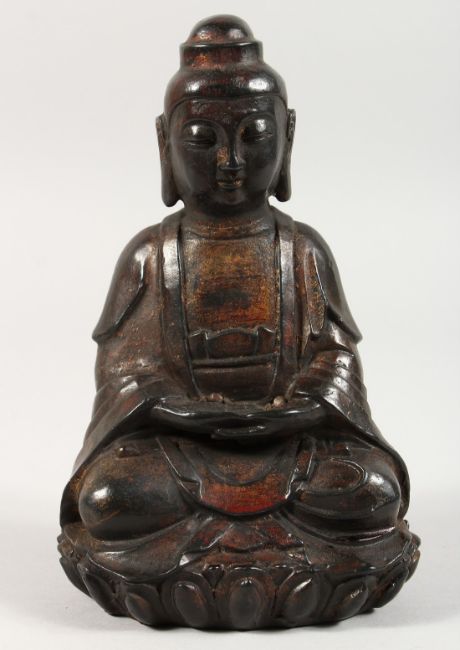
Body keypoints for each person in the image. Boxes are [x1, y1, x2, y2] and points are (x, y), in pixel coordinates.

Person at [59, 15, 418, 627]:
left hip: (289, 446)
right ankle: (297, 575)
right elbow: (124, 375)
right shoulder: (150, 256)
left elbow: (336, 363)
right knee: (109, 496)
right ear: (165, 144)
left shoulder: (303, 251)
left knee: (373, 490)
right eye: (203, 139)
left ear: (288, 138)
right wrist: (181, 412)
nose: (230, 161)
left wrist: (298, 410)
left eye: (255, 136)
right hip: (181, 451)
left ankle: (186, 574)